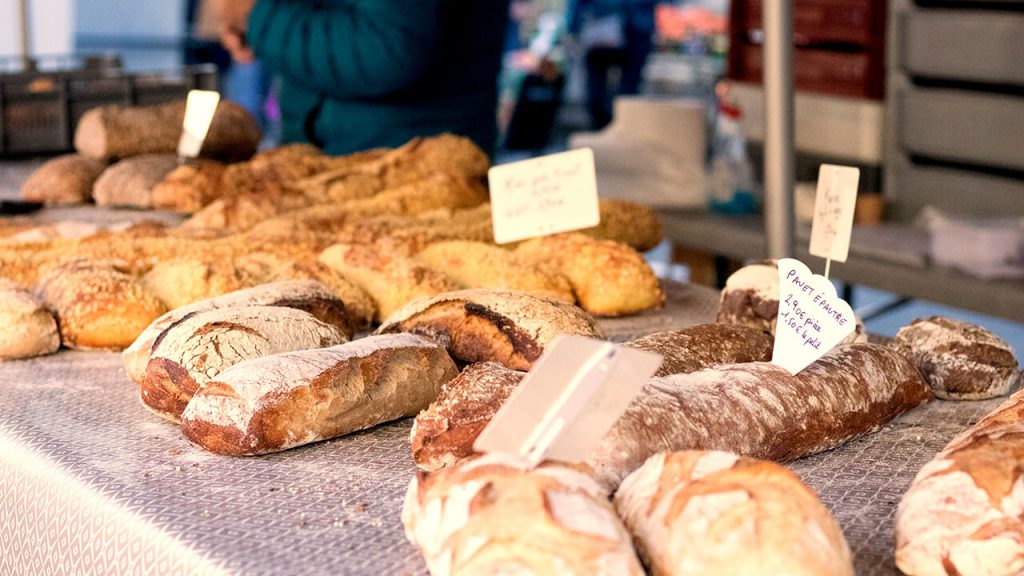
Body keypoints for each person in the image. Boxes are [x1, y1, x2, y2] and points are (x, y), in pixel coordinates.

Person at [208, 0, 511, 157]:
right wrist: (263, 25)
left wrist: (258, 16)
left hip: (407, 171)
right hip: (332, 162)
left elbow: (387, 48)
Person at [565, 0, 658, 130]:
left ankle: (617, 130)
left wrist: (573, 28)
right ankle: (604, 130)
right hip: (608, 23)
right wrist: (573, 28)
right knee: (600, 87)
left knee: (627, 89)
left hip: (635, 25)